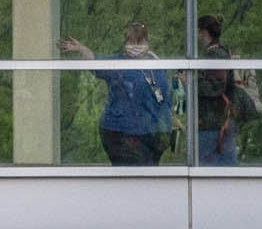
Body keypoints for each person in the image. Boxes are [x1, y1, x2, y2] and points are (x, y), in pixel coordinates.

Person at [58, 23, 175, 166]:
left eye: (140, 42)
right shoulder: (117, 63)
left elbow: (165, 95)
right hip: (121, 132)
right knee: (133, 174)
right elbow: (95, 62)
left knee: (149, 175)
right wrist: (81, 49)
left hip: (151, 133)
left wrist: (170, 119)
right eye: (132, 42)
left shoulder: (156, 64)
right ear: (125, 44)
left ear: (147, 42)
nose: (136, 46)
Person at [193, 14, 255, 166]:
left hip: (214, 124)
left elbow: (215, 87)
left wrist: (191, 82)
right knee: (225, 168)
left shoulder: (215, 55)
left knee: (209, 169)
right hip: (219, 124)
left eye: (197, 31)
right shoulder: (219, 53)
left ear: (203, 32)